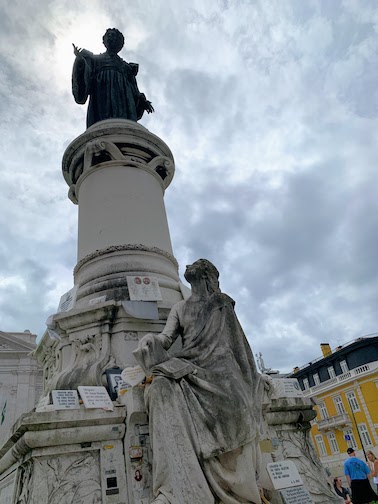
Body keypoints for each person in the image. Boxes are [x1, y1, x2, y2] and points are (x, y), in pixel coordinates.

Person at [134, 259, 266, 504]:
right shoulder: (180, 308)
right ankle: (186, 484)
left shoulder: (222, 303)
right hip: (194, 365)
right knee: (160, 385)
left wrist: (252, 375)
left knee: (236, 407)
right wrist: (150, 340)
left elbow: (239, 345)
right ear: (207, 279)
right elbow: (166, 338)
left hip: (225, 371)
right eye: (213, 279)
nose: (214, 284)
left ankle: (238, 488)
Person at [72, 28, 154, 128]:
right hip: (102, 90)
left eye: (113, 36)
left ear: (119, 43)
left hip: (123, 93)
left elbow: (134, 88)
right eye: (108, 35)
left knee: (124, 122)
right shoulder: (94, 59)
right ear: (104, 41)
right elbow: (85, 74)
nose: (110, 37)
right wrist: (80, 61)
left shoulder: (127, 67)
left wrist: (141, 101)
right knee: (102, 121)